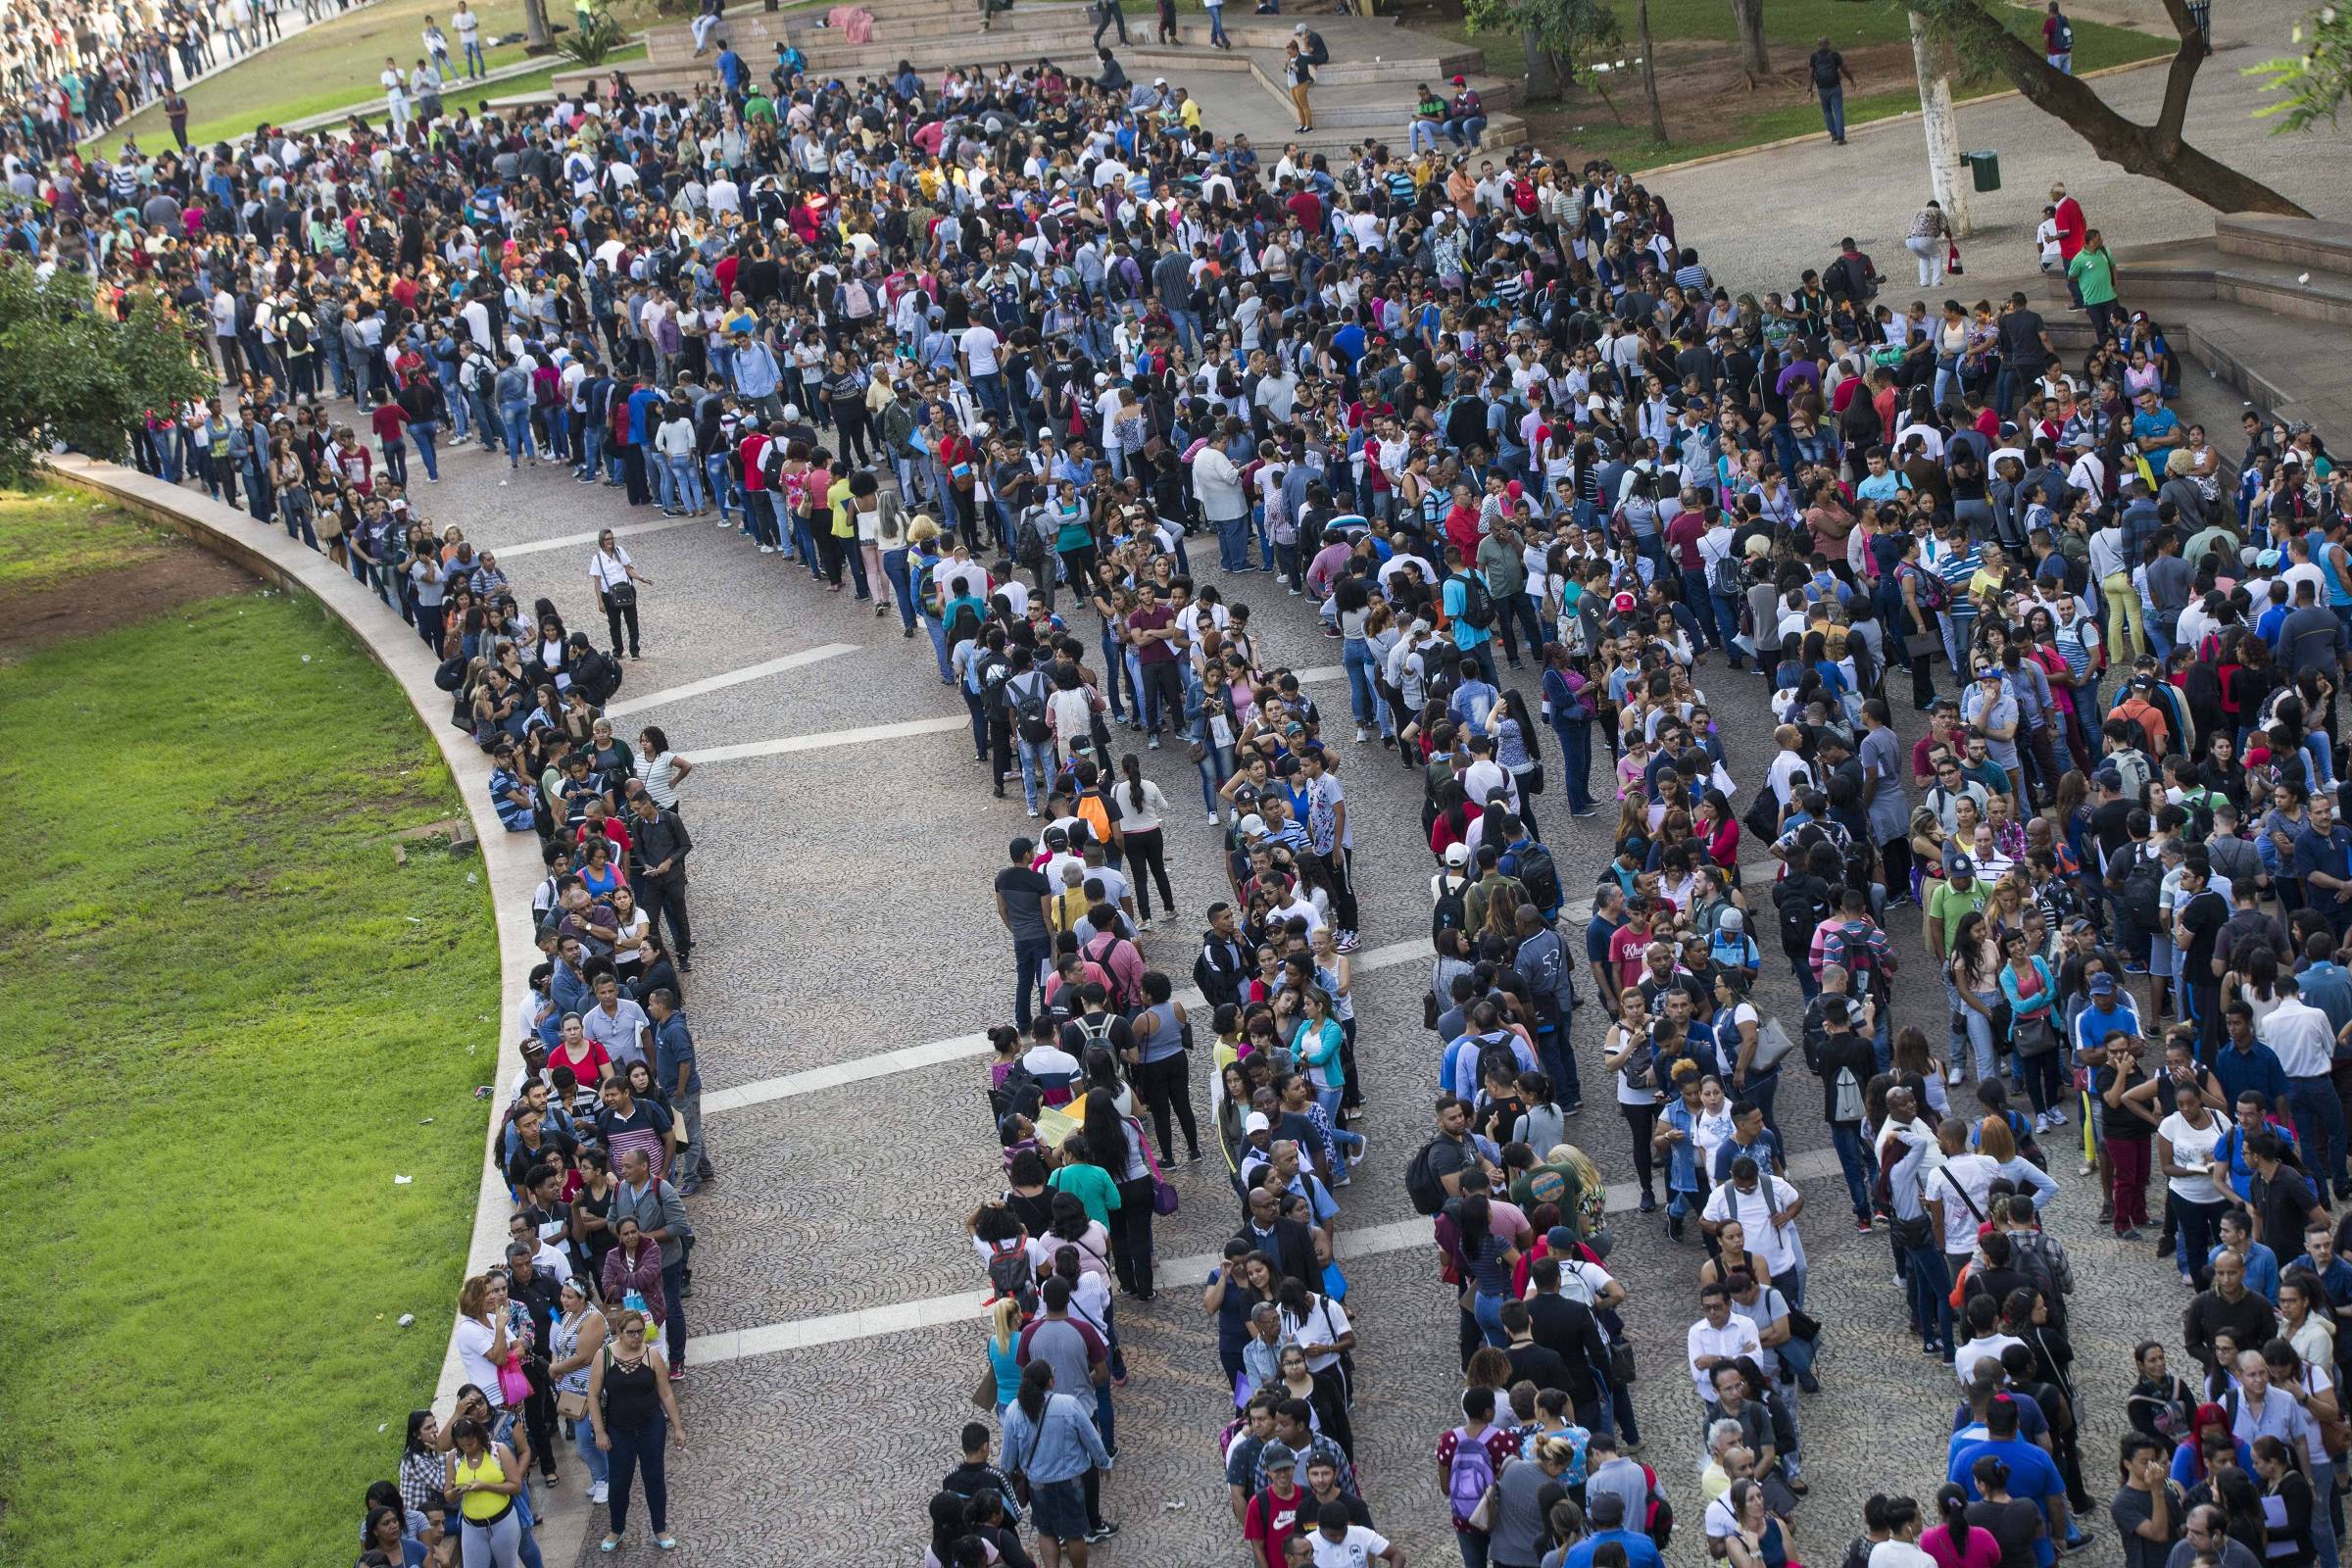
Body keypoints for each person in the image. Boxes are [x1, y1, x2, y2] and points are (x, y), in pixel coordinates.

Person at [585, 1308, 685, 1552]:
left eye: (640, 1332)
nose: (637, 1337)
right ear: (619, 1333)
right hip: (619, 1429)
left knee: (654, 1478)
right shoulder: (604, 1356)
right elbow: (593, 1394)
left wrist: (678, 1427)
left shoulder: (651, 1355)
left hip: (651, 1425)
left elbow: (665, 1393)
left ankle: (659, 1529)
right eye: (631, 1333)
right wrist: (600, 1431)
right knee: (620, 1482)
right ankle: (616, 1529)